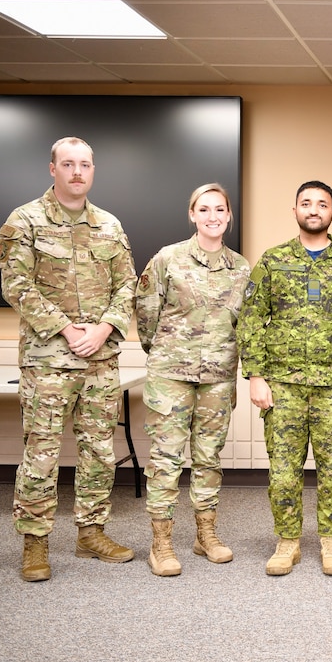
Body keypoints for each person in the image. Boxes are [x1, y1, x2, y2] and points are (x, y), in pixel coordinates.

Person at [0, 136, 137, 582]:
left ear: (93, 171)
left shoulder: (110, 226)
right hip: (48, 360)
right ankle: (35, 543)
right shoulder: (25, 221)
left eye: (86, 164)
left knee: (99, 450)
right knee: (42, 451)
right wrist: (65, 328)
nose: (78, 172)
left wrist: (102, 329)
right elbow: (15, 285)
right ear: (52, 169)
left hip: (100, 358)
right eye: (69, 164)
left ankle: (90, 533)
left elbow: (128, 285)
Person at [239, 180, 332, 577]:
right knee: (284, 471)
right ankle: (288, 542)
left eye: (322, 204)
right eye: (306, 203)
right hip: (282, 384)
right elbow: (251, 320)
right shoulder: (273, 260)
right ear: (295, 209)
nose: (314, 209)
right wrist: (255, 375)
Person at [134, 183, 250, 577]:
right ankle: (161, 543)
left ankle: (206, 535)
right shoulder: (169, 258)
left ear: (229, 216)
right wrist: (164, 353)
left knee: (208, 459)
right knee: (165, 461)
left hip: (218, 377)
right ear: (192, 215)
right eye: (204, 209)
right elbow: (146, 311)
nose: (212, 216)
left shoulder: (241, 267)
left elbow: (244, 324)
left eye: (220, 209)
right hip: (171, 376)